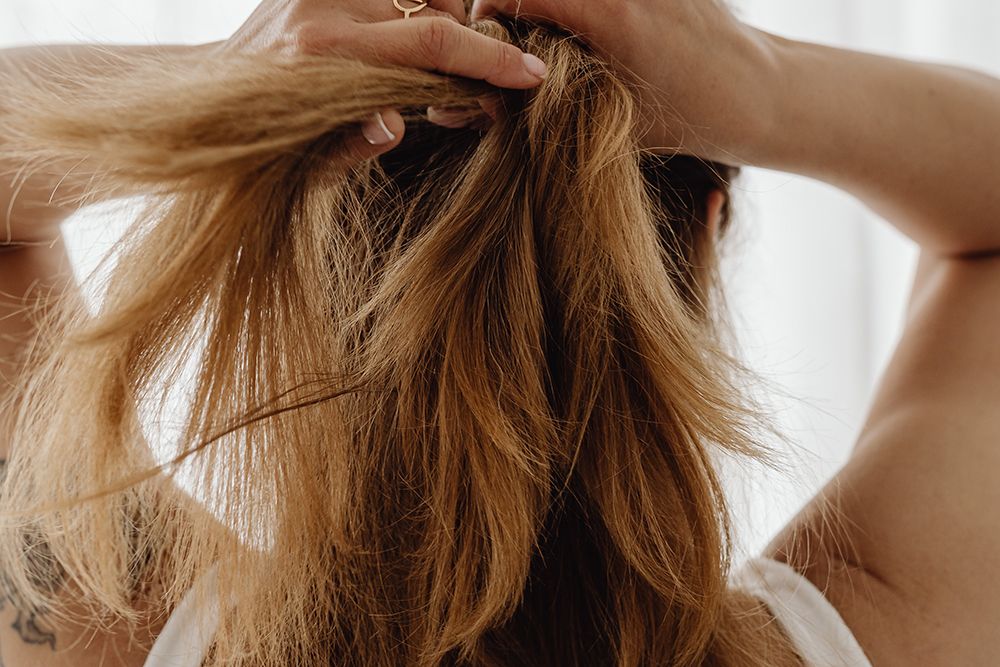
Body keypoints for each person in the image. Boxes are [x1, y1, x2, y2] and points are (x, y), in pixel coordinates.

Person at [1, 0, 999, 664]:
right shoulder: (876, 630)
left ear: (307, 243)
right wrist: (764, 83)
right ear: (707, 221)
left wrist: (222, 87)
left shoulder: (119, 616)